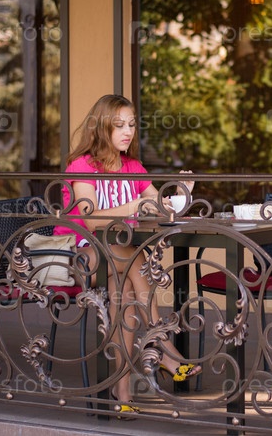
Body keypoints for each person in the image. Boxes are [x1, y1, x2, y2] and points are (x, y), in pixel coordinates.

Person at [54, 94, 200, 414]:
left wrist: (180, 195)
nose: (128, 131)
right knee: (133, 256)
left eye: (132, 124)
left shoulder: (132, 167)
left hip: (118, 262)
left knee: (126, 290)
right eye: (119, 125)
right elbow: (92, 220)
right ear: (102, 127)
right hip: (79, 258)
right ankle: (163, 346)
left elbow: (160, 207)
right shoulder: (82, 166)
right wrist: (134, 205)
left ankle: (122, 393)